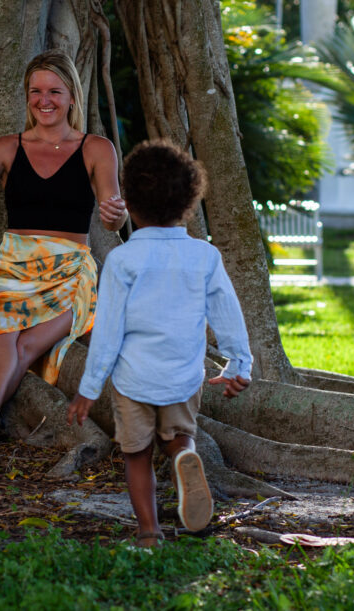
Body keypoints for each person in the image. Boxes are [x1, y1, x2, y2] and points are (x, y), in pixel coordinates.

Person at [0, 49, 129, 441]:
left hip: (70, 272)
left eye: (54, 91)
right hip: (12, 267)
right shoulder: (4, 148)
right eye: (36, 91)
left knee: (32, 343)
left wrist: (115, 215)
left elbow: (112, 215)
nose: (44, 100)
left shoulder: (96, 148)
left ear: (72, 96)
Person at [66, 139, 252, 547]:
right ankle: (185, 457)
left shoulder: (122, 260)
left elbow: (109, 329)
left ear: (129, 205)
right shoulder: (205, 256)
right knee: (179, 438)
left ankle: (148, 533)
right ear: (189, 203)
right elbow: (227, 313)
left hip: (134, 379)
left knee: (137, 455)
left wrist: (88, 389)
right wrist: (239, 365)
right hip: (183, 375)